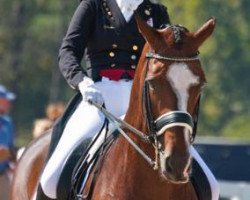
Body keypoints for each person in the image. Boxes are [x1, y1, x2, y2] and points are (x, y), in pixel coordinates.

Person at [37, 0, 219, 199]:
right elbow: (68, 51)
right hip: (98, 96)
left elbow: (169, 55)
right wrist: (81, 82)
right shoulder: (93, 6)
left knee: (211, 187)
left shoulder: (155, 11)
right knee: (50, 179)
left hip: (144, 98)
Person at [0, 84, 16, 200]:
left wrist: (12, 162)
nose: (9, 103)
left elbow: (11, 149)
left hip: (2, 174)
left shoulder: (8, 123)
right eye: (6, 100)